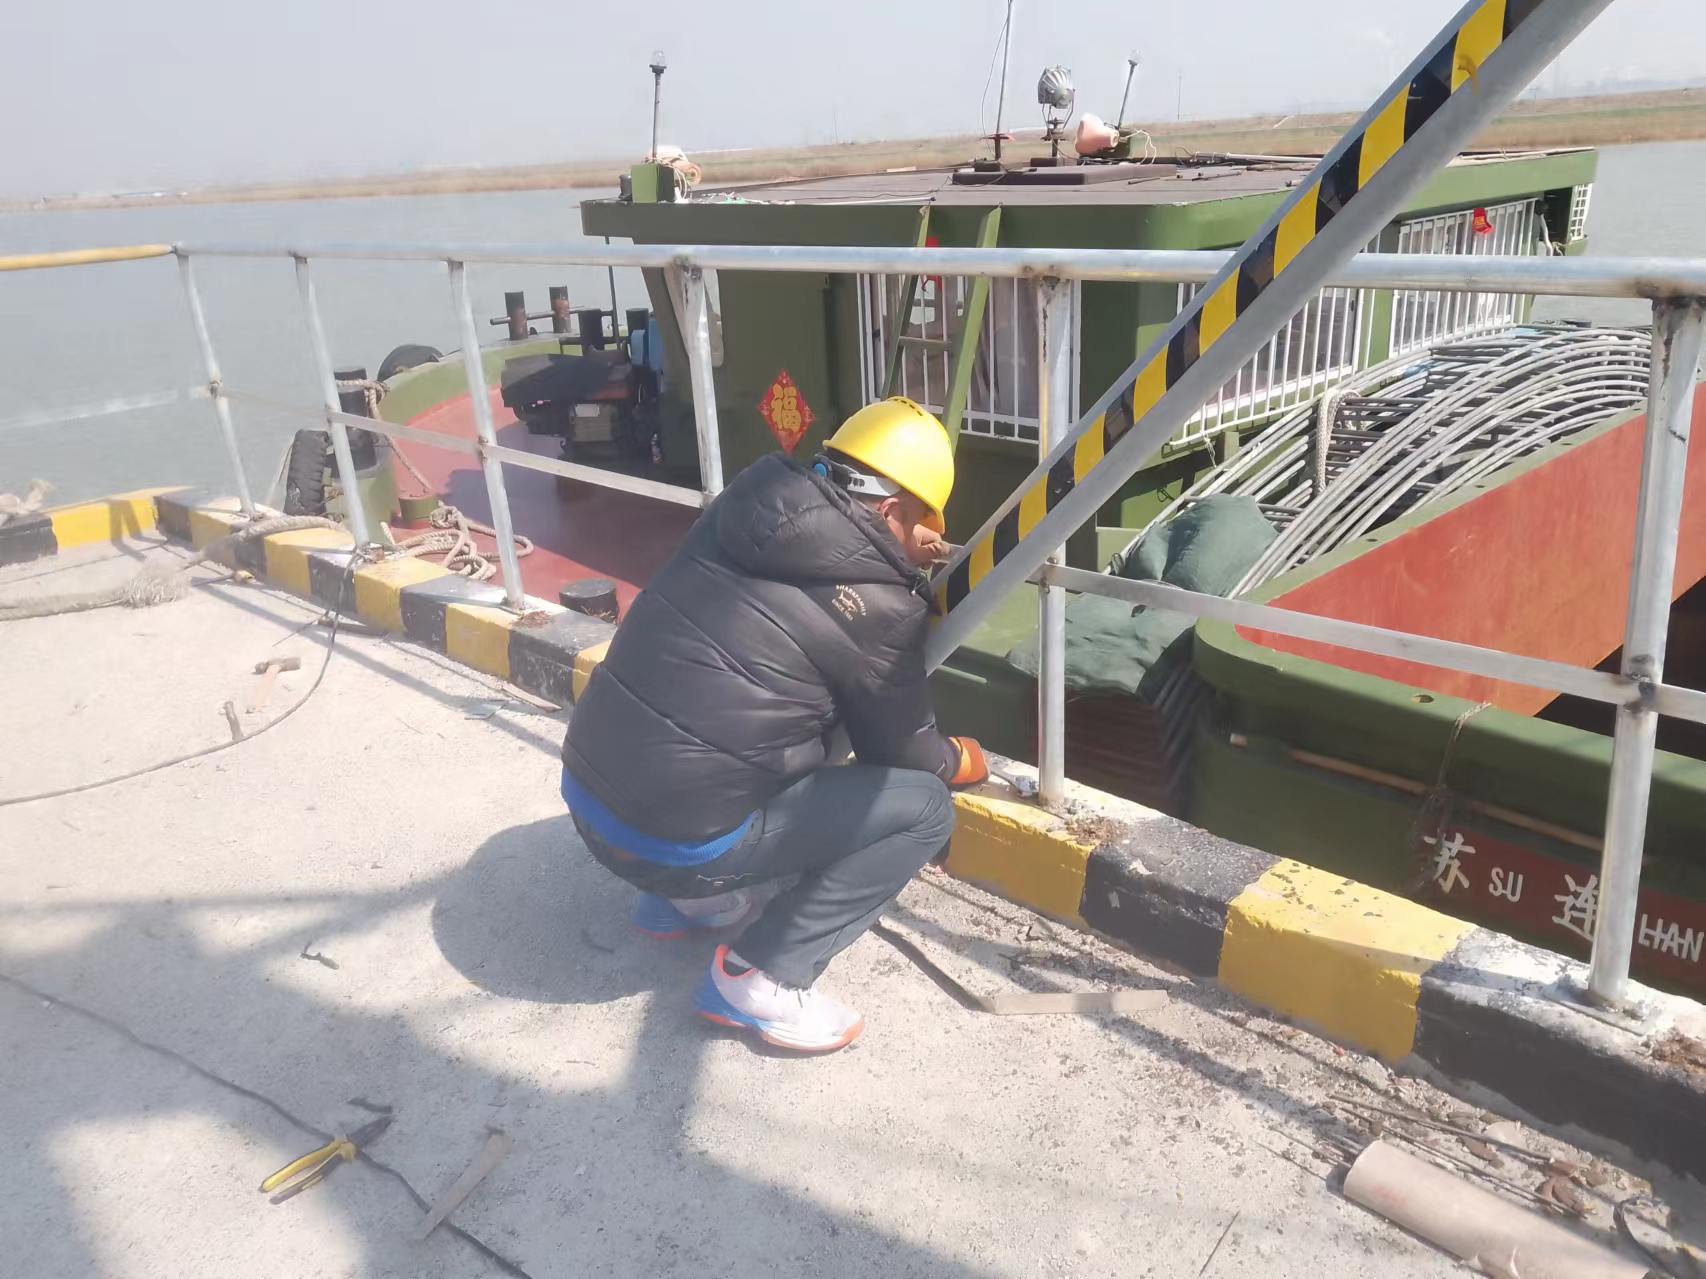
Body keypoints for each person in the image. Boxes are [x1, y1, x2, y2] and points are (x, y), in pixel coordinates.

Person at [561, 397, 990, 1053]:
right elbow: (903, 755)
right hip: (673, 844)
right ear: (892, 512)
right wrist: (958, 758)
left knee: (751, 711)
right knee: (925, 810)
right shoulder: (882, 606)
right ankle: (761, 976)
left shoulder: (743, 506)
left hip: (588, 801)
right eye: (922, 520)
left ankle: (681, 903)